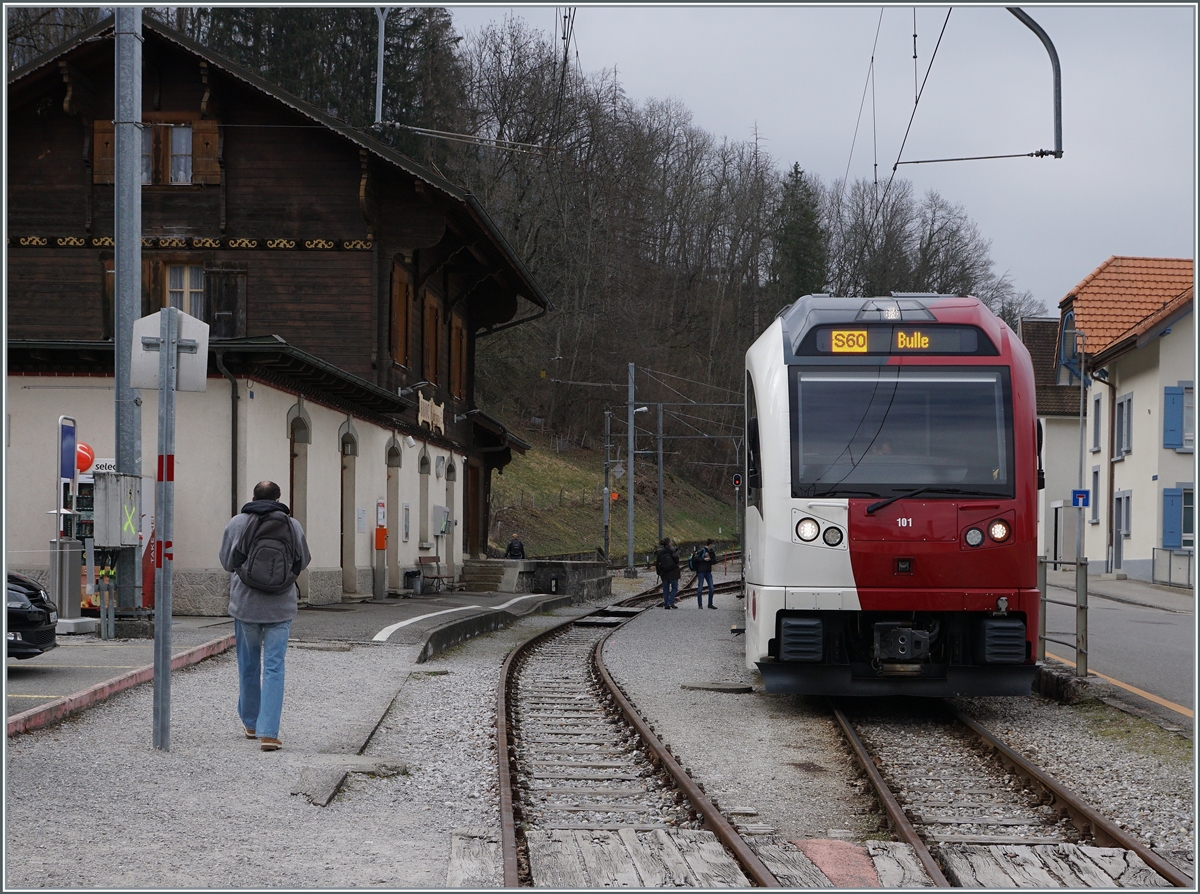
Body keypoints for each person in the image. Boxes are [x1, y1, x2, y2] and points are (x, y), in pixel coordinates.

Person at [219, 480, 311, 752]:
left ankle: (250, 723)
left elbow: (226, 563)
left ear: (254, 497)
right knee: (274, 667)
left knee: (248, 665)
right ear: (279, 498)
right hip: (280, 607)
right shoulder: (292, 525)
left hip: (246, 606)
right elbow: (303, 560)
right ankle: (269, 733)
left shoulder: (237, 523)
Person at [655, 537, 681, 609]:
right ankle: (670, 602)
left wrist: (659, 572)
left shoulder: (660, 552)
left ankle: (666, 604)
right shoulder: (673, 550)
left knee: (665, 589)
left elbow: (657, 563)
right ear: (669, 542)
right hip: (673, 572)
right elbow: (676, 559)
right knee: (674, 587)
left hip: (664, 573)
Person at [695, 539, 717, 609]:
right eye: (713, 544)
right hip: (701, 571)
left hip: (708, 571)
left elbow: (714, 561)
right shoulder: (702, 550)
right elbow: (696, 559)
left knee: (711, 588)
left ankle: (710, 604)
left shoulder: (711, 552)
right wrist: (704, 559)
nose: (713, 546)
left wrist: (710, 558)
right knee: (700, 588)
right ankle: (700, 604)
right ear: (710, 544)